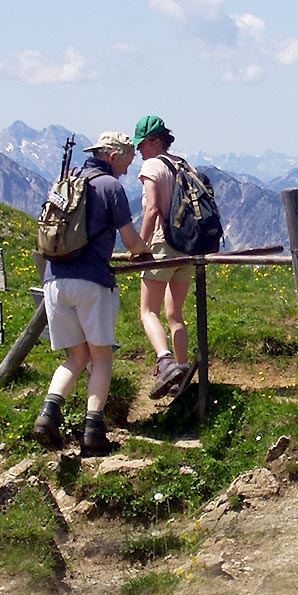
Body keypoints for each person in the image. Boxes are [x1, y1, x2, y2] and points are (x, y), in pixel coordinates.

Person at [33, 131, 152, 455]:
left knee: (75, 357)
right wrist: (144, 251)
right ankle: (93, 431)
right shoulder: (110, 187)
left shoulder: (68, 181)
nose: (128, 168)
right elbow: (130, 240)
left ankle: (48, 414)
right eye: (128, 160)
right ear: (113, 156)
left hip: (55, 282)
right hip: (91, 282)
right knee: (101, 358)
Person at [133, 115, 195, 399]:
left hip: (161, 245)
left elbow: (152, 209)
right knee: (175, 314)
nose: (139, 150)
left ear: (155, 141)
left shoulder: (152, 165)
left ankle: (165, 360)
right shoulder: (183, 164)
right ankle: (182, 370)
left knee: (148, 312)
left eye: (142, 144)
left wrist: (140, 246)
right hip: (187, 247)